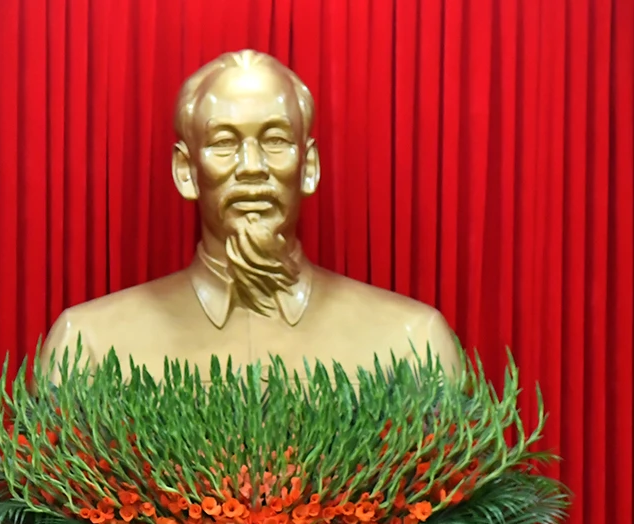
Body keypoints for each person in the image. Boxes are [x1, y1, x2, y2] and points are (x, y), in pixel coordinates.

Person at [39, 49, 465, 376]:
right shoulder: (89, 346)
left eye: (275, 140)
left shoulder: (412, 344)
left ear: (308, 167)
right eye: (223, 142)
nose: (252, 166)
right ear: (186, 171)